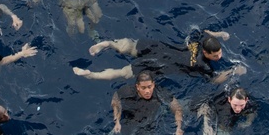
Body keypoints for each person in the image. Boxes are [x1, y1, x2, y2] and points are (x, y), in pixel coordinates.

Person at [74, 30, 246, 83]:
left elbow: (202, 32)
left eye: (220, 53)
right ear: (207, 53)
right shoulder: (204, 65)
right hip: (157, 64)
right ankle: (91, 74)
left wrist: (219, 34)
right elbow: (214, 80)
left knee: (130, 46)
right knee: (122, 73)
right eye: (215, 55)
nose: (219, 56)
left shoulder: (202, 41)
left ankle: (109, 44)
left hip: (160, 48)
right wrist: (233, 71)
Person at [111, 72, 184, 135]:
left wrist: (179, 129)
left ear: (153, 85)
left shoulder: (160, 93)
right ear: (137, 87)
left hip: (149, 126)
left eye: (149, 87)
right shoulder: (127, 91)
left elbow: (177, 108)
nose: (147, 91)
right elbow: (116, 100)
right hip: (129, 122)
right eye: (143, 88)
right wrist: (117, 120)